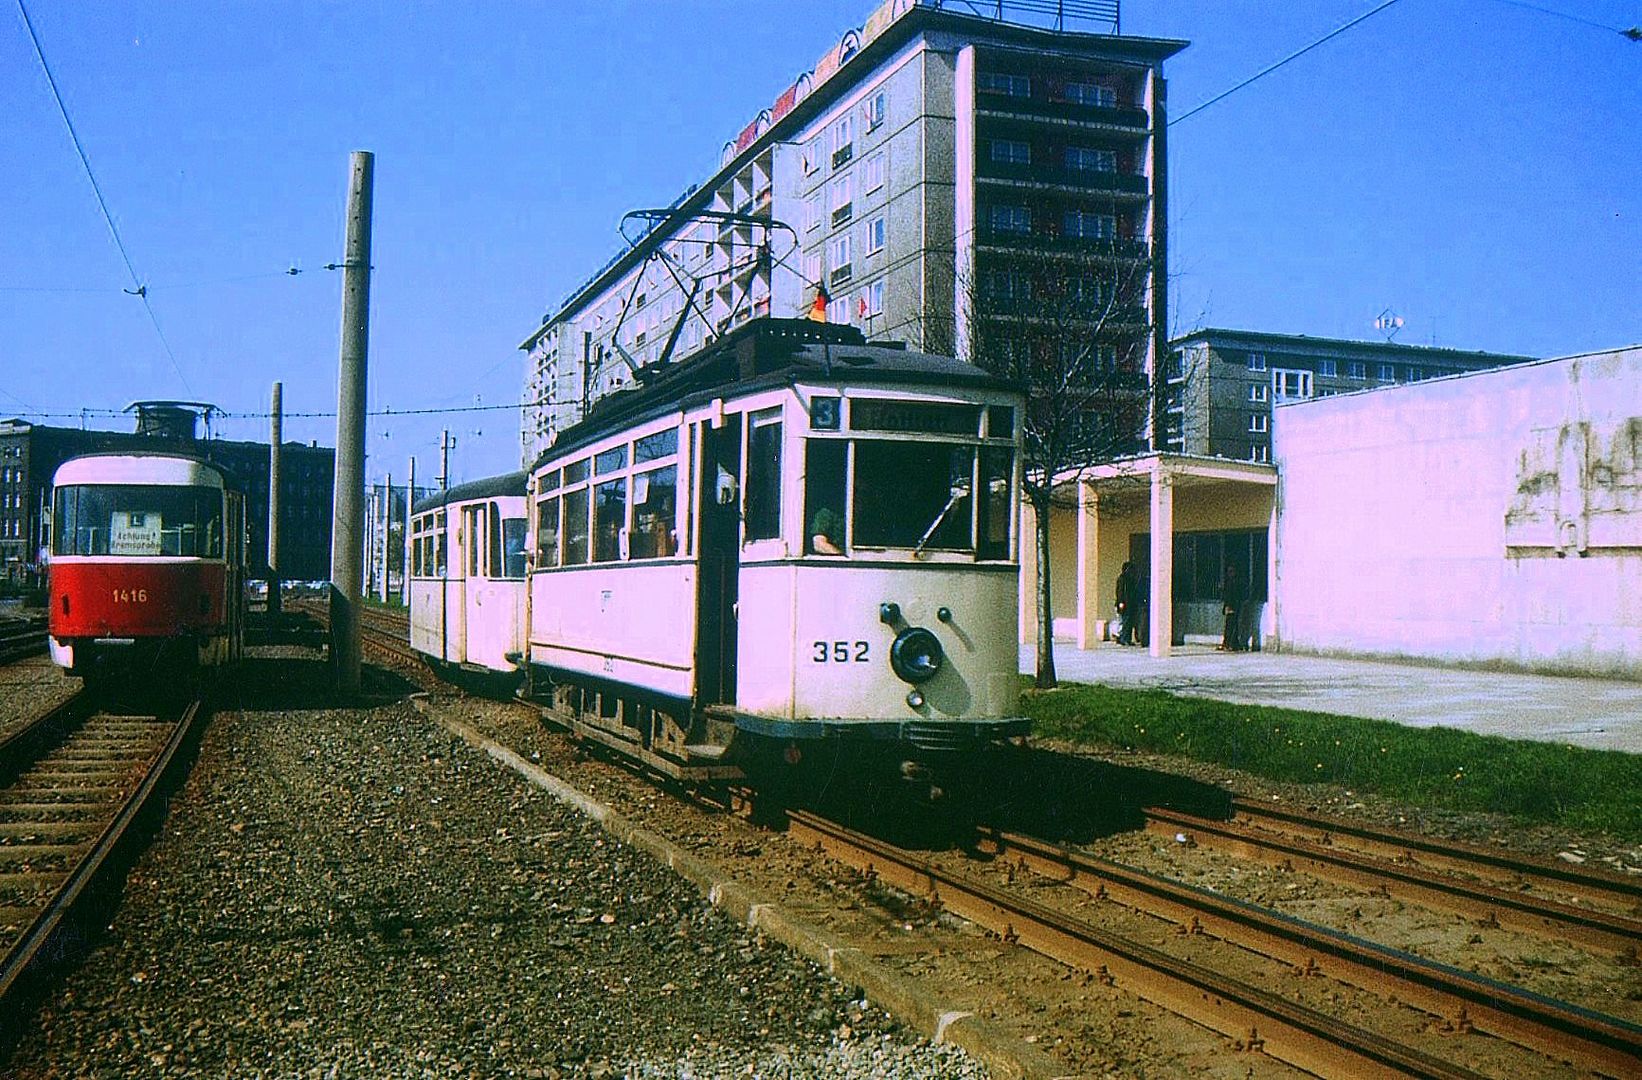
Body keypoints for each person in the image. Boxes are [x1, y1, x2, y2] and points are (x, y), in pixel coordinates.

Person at [1220, 563, 1247, 652]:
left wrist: (1231, 607)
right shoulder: (1230, 582)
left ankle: (1230, 644)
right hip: (1231, 606)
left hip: (1233, 607)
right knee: (1230, 625)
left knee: (1231, 626)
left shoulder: (1235, 583)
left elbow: (1233, 596)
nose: (1230, 573)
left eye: (1231, 571)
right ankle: (1231, 643)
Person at [1114, 560, 1138, 645]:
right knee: (1125, 622)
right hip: (1124, 604)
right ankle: (1123, 638)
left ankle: (1126, 639)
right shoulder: (1122, 579)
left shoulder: (1131, 579)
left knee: (1129, 622)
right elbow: (1120, 591)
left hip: (1130, 604)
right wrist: (1121, 602)